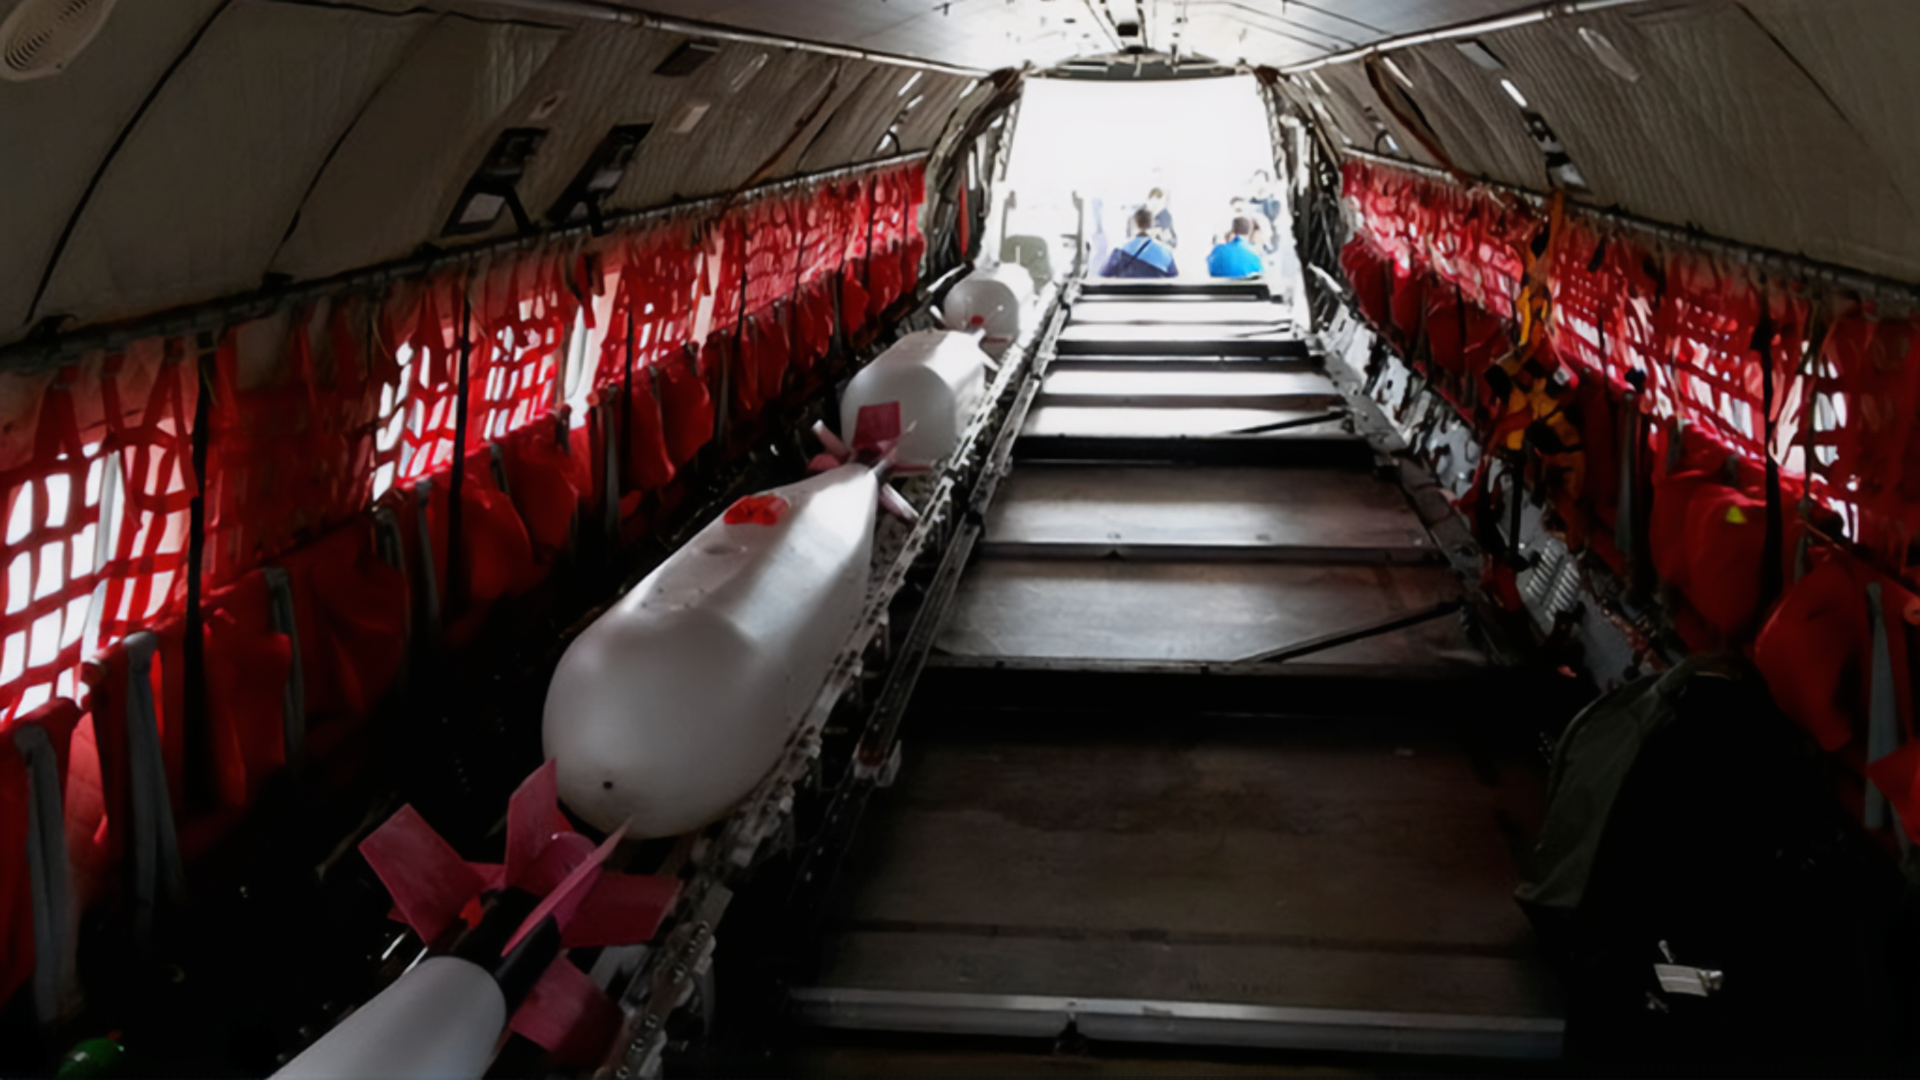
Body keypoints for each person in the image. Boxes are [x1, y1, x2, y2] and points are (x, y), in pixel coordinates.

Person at [1101, 207, 1178, 278]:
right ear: (1151, 225)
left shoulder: (1119, 253)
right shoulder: (1165, 253)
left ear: (1134, 225)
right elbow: (1174, 275)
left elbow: (1104, 274)